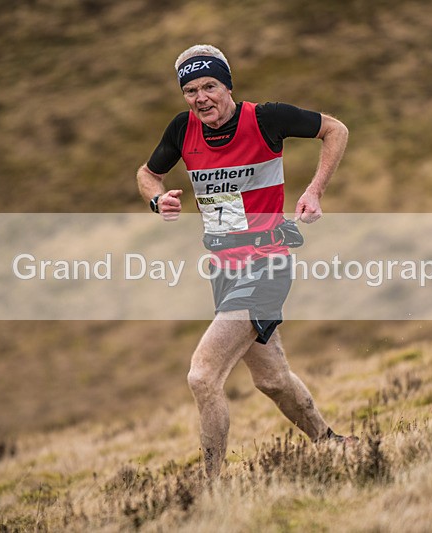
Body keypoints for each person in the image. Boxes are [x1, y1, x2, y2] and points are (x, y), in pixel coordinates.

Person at [136, 44, 352, 478]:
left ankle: (211, 490)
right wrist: (158, 200)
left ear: (228, 86)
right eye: (191, 90)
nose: (201, 98)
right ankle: (333, 444)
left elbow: (336, 129)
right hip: (224, 270)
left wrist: (314, 191)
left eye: (210, 87)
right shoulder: (182, 129)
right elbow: (147, 173)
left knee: (202, 376)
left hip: (267, 264)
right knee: (271, 379)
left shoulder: (266, 119)